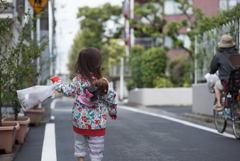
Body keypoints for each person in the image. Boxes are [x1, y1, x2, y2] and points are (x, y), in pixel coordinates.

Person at [50, 47, 117, 161]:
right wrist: (112, 112)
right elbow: (111, 98)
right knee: (96, 151)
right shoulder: (103, 82)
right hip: (97, 124)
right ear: (99, 65)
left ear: (80, 64)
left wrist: (57, 82)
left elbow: (66, 90)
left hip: (80, 121)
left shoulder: (78, 80)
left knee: (80, 145)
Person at [210, 35, 238, 111]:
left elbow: (212, 69)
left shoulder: (218, 55)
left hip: (227, 82)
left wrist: (211, 72)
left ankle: (219, 104)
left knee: (217, 86)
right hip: (238, 82)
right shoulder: (237, 54)